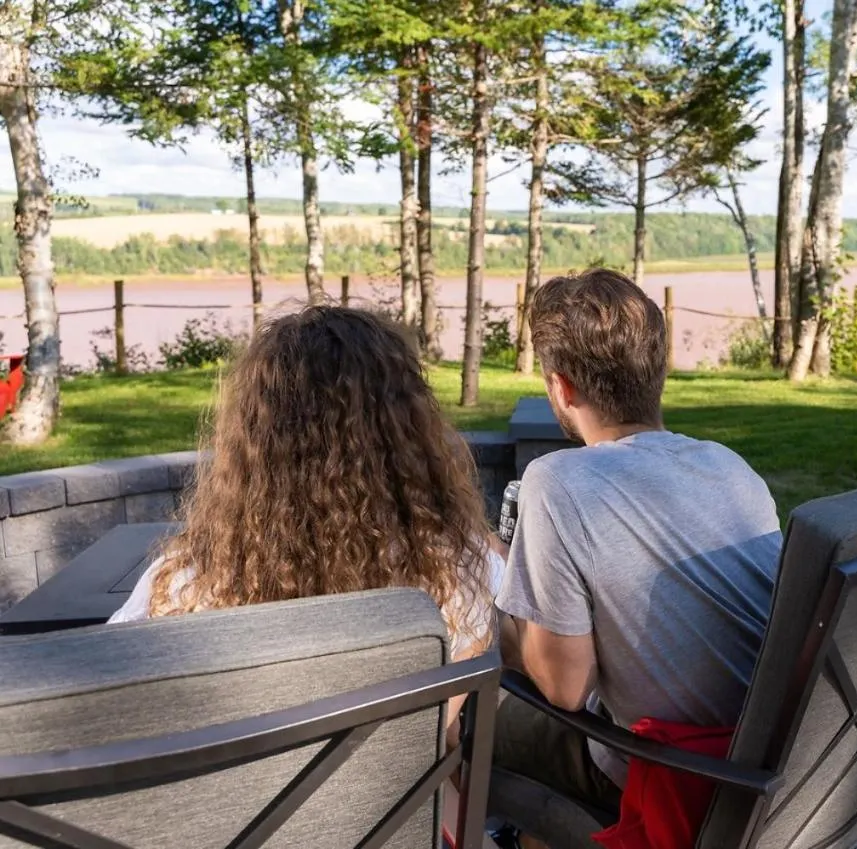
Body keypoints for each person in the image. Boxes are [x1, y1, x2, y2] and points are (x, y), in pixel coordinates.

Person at [110, 305, 502, 727]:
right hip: (398, 794)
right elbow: (444, 731)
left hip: (246, 794)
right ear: (408, 432)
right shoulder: (460, 573)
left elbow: (105, 696)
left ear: (253, 439)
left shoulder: (182, 585)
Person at [494, 269, 782, 820]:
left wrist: (505, 612)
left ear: (560, 387)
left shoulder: (557, 482)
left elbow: (564, 689)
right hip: (772, 770)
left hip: (673, 775)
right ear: (659, 372)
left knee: (470, 724)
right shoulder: (729, 466)